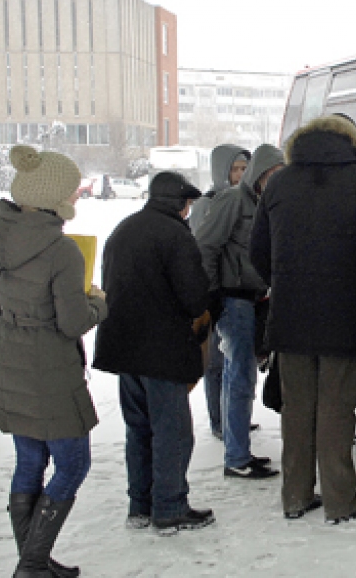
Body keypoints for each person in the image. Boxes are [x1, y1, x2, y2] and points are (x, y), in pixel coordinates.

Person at [249, 114, 356, 523]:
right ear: (352, 143)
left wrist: (286, 282)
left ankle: (295, 497)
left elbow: (257, 252)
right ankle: (340, 501)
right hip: (348, 317)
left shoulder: (278, 182)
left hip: (290, 317)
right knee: (336, 409)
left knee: (296, 408)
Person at [0, 144, 108, 577]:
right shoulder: (62, 251)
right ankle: (33, 563)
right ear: (53, 195)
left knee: (30, 461)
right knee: (73, 463)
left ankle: (32, 564)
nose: (77, 196)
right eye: (73, 190)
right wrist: (98, 303)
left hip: (8, 358)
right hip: (49, 370)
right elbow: (73, 322)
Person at [92, 171, 215, 535]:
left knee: (139, 429)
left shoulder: (123, 229)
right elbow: (193, 297)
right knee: (173, 431)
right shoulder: (176, 236)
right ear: (180, 204)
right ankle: (170, 507)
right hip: (162, 350)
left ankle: (140, 506)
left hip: (123, 346)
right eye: (188, 205)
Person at [196, 143, 284, 479]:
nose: (277, 179)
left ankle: (238, 450)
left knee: (242, 373)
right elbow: (205, 244)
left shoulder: (270, 203)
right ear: (259, 174)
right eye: (272, 173)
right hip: (233, 299)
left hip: (258, 298)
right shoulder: (233, 200)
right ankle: (236, 456)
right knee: (240, 374)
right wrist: (212, 294)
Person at [187, 144, 251, 440]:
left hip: (236, 289)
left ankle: (231, 417)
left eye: (244, 168)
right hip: (216, 291)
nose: (240, 174)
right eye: (235, 169)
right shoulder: (209, 203)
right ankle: (219, 420)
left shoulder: (248, 200)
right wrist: (209, 290)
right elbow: (204, 247)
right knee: (216, 362)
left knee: (234, 361)